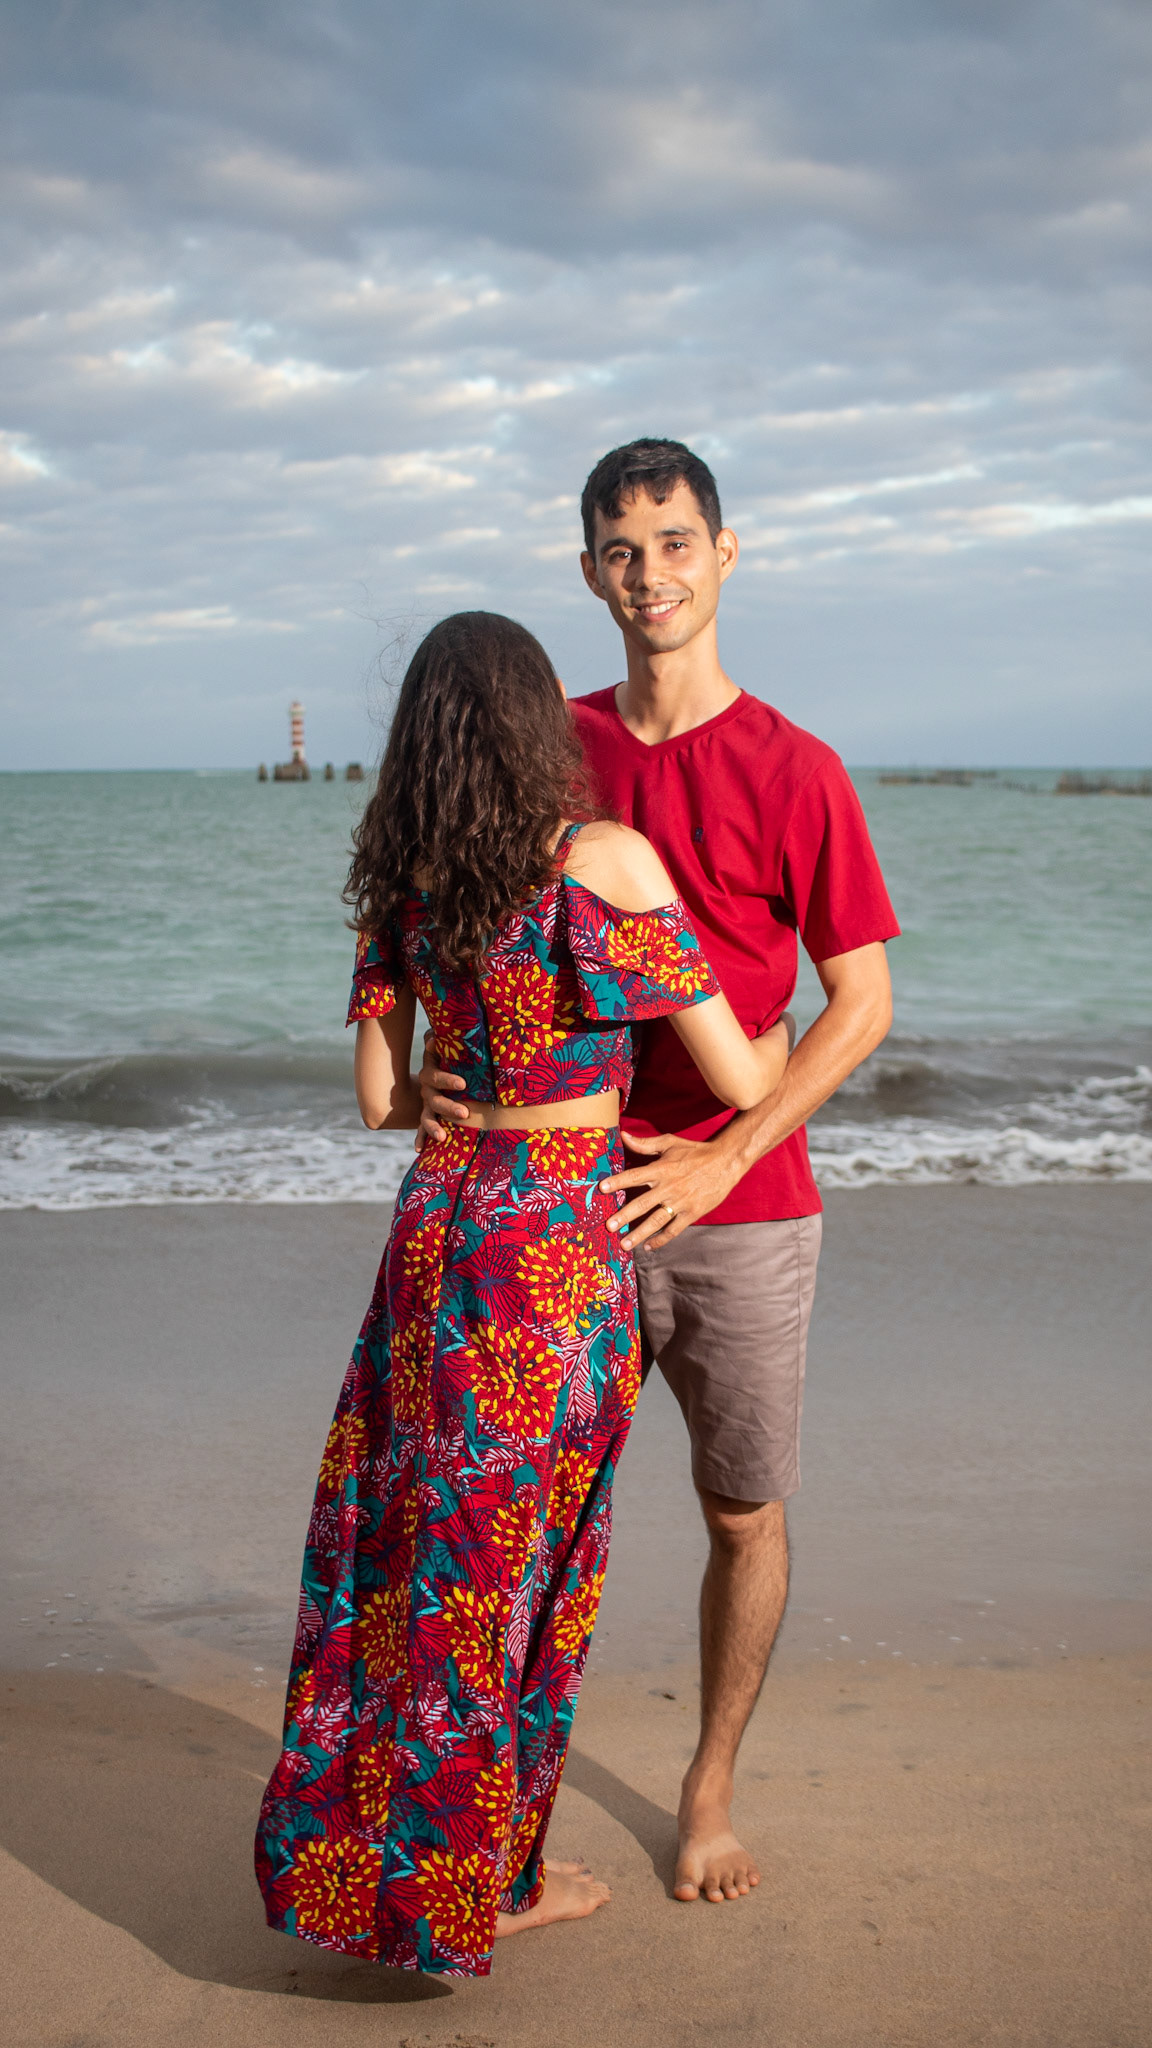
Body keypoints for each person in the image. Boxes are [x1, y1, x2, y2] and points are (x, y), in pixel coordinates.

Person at [254, 610, 792, 1978]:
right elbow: (739, 1076)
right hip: (552, 1250)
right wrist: (781, 1030)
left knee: (405, 1560)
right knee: (516, 1571)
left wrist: (445, 1089)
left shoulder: (408, 880)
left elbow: (382, 1099)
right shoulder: (603, 861)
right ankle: (478, 1893)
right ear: (535, 720)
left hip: (439, 1233)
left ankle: (381, 1877)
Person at [418, 442, 900, 1908]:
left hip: (745, 1209)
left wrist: (726, 1153)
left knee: (742, 1514)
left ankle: (707, 1792)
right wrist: (435, 1068)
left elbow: (862, 1002)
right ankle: (499, 1838)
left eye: (677, 542)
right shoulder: (545, 748)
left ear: (725, 554)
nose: (652, 575)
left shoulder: (799, 769)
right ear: (589, 574)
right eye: (622, 551)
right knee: (522, 1522)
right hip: (559, 1211)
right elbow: (445, 915)